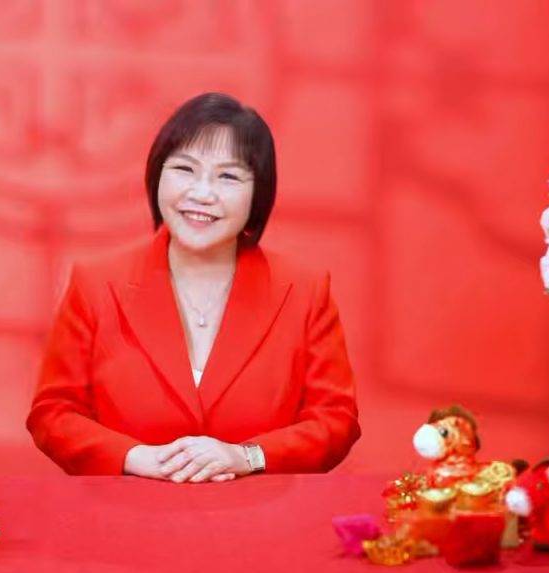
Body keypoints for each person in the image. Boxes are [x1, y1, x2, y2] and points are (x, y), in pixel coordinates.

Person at [27, 92, 360, 482]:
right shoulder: (96, 282)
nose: (202, 194)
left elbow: (336, 420)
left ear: (258, 193)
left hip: (262, 513)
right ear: (157, 174)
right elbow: (53, 414)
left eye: (228, 177)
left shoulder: (304, 289)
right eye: (185, 169)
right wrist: (135, 458)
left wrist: (247, 456)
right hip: (126, 509)